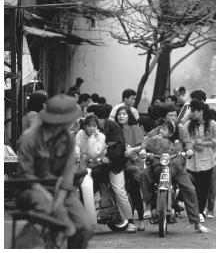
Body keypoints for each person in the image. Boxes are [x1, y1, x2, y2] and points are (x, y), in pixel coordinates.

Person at [16, 94, 92, 248]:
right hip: (33, 190)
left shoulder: (68, 138)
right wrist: (52, 203)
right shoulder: (29, 138)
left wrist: (58, 201)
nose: (74, 122)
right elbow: (26, 176)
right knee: (56, 222)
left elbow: (67, 175)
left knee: (84, 227)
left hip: (60, 191)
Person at [139, 121, 211, 233]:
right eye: (169, 116)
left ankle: (197, 223)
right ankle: (148, 205)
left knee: (190, 190)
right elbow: (146, 141)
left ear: (171, 132)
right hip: (157, 166)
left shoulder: (180, 134)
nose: (161, 130)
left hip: (176, 168)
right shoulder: (156, 135)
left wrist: (189, 150)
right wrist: (143, 150)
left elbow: (188, 143)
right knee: (143, 174)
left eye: (165, 129)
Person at [86, 104, 137, 232]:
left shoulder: (113, 126)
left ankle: (130, 221)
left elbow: (119, 147)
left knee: (119, 190)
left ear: (100, 118)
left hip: (115, 164)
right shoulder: (88, 127)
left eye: (93, 116)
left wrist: (108, 158)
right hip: (96, 164)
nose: (90, 120)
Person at [180, 99, 216, 223]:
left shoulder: (212, 124)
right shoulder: (188, 125)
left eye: (193, 111)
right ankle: (194, 210)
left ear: (201, 111)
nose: (191, 113)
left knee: (204, 187)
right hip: (191, 161)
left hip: (207, 161)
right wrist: (193, 144)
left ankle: (200, 211)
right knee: (193, 187)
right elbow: (184, 139)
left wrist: (204, 143)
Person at [114, 106, 146, 231]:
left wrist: (131, 150)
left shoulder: (135, 128)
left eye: (124, 114)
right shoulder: (115, 129)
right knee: (123, 192)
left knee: (134, 191)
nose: (121, 116)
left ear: (129, 116)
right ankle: (128, 219)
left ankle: (141, 219)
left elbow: (141, 145)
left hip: (133, 163)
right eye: (119, 114)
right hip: (119, 164)